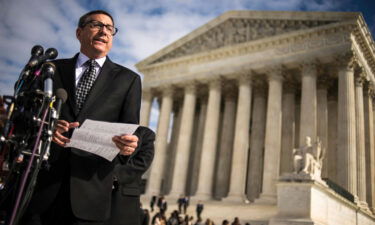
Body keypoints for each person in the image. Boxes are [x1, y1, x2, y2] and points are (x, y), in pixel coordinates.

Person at [21, 9, 142, 225]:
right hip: (40, 187)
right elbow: (24, 116)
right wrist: (46, 126)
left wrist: (128, 147)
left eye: (110, 28)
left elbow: (128, 131)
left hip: (90, 193)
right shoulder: (51, 69)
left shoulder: (129, 80)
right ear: (79, 32)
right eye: (96, 25)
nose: (104, 32)